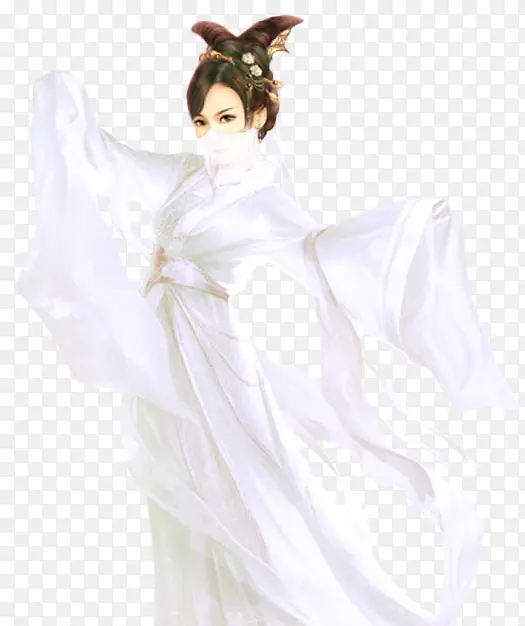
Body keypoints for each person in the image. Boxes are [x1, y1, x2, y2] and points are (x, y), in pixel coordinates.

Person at [18, 14, 517, 626]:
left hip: (218, 359)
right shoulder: (183, 177)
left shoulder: (266, 203)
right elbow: (108, 160)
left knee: (256, 494)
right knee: (183, 499)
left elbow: (321, 255)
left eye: (226, 118)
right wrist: (65, 102)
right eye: (202, 122)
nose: (212, 135)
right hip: (166, 353)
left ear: (258, 115)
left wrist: (408, 232)